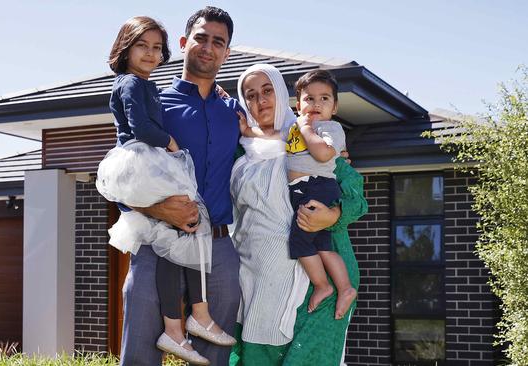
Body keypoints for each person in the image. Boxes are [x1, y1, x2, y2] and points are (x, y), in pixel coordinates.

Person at [101, 15, 234, 365]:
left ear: (227, 52)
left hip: (218, 248)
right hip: (156, 245)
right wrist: (157, 209)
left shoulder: (234, 111)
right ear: (182, 43)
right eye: (201, 38)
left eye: (218, 42)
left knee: (215, 359)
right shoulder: (155, 104)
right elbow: (122, 174)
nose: (208, 48)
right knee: (141, 355)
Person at [229, 64, 368, 365]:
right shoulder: (242, 154)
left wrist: (333, 216)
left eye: (268, 91)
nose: (260, 101)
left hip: (313, 283)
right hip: (254, 283)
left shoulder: (309, 141)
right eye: (250, 95)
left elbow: (356, 198)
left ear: (281, 94)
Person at [241, 69, 356, 319]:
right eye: (309, 99)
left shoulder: (329, 128)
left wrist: (306, 129)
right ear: (298, 104)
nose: (316, 104)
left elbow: (324, 154)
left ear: (335, 106)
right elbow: (271, 137)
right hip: (303, 189)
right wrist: (248, 132)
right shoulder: (294, 128)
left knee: (299, 241)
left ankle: (323, 285)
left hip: (315, 188)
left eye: (324, 99)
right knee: (323, 247)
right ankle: (345, 287)